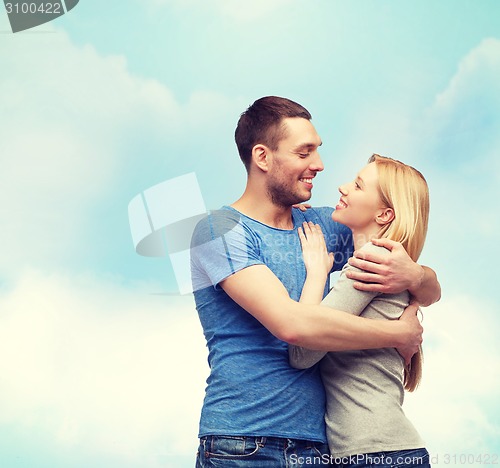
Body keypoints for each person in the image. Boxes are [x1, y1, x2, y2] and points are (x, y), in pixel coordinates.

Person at [190, 96, 440, 467]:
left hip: (322, 449)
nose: (319, 166)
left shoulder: (322, 226)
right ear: (263, 157)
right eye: (304, 153)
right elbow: (292, 326)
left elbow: (406, 262)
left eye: (317, 152)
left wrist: (417, 275)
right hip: (243, 442)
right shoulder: (218, 231)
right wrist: (397, 335)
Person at [289, 154, 432, 467]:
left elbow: (302, 352)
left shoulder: (371, 263)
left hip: (374, 455)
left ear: (384, 214)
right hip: (384, 451)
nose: (342, 187)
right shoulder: (390, 262)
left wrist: (317, 273)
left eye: (357, 185)